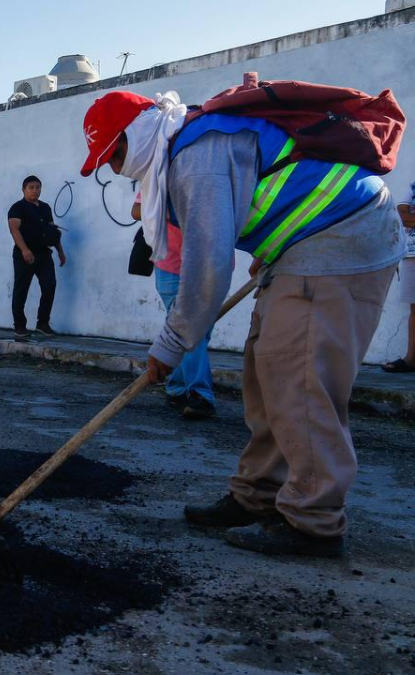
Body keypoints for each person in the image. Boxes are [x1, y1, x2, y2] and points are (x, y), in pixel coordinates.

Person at [81, 90, 404, 557]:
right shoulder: (186, 149)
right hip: (302, 247)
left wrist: (170, 346)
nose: (113, 168)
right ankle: (258, 495)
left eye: (114, 154)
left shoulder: (195, 157)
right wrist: (273, 242)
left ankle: (313, 521)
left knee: (299, 379)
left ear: (136, 134)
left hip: (342, 243)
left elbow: (207, 268)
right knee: (263, 368)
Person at [132, 192, 216, 419]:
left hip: (209, 262)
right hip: (171, 263)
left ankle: (178, 386)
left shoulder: (213, 174)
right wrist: (170, 210)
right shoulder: (159, 175)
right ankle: (199, 394)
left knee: (199, 331)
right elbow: (136, 210)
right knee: (189, 330)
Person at [7, 175, 65, 338]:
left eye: (37, 187)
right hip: (23, 254)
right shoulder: (18, 207)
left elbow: (52, 231)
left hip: (44, 254)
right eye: (31, 187)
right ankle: (19, 326)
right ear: (24, 189)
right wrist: (25, 250)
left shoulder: (45, 208)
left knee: (49, 285)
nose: (35, 190)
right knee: (21, 290)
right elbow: (14, 230)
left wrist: (60, 251)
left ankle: (43, 323)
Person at [382, 188, 415, 373]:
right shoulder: (413, 186)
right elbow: (401, 216)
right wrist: (407, 216)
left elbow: (408, 216)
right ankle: (412, 359)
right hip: (411, 254)